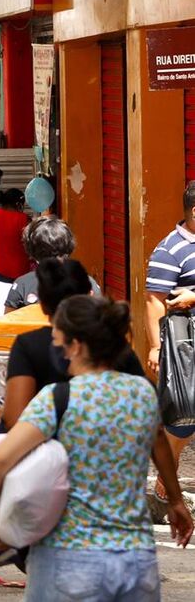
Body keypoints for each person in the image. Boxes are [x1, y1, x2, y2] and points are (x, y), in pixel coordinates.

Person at [0, 296, 193, 602]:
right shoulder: (142, 391)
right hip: (135, 562)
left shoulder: (59, 398)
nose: (58, 349)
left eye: (59, 341)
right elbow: (158, 439)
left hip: (68, 561)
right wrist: (175, 500)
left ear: (76, 345)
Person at [2, 259, 152, 428]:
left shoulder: (28, 345)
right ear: (89, 295)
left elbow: (14, 417)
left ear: (42, 305)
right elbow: (145, 411)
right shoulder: (114, 340)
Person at [146, 181, 195, 500]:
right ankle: (168, 469)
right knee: (184, 414)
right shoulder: (170, 250)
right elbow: (155, 300)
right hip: (186, 347)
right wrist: (155, 346)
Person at [5, 215, 100, 311]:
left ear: (31, 249)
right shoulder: (88, 283)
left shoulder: (22, 285)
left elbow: (8, 322)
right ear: (69, 244)